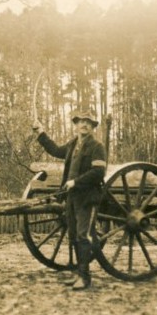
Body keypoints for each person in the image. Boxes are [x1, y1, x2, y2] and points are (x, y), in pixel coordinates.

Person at [32, 110, 107, 290]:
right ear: (76, 125)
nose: (84, 125)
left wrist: (76, 182)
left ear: (92, 127)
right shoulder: (74, 144)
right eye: (81, 122)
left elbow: (98, 172)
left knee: (83, 235)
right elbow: (56, 150)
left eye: (89, 123)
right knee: (73, 234)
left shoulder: (97, 146)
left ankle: (85, 277)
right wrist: (41, 133)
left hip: (88, 198)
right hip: (72, 197)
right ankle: (78, 273)